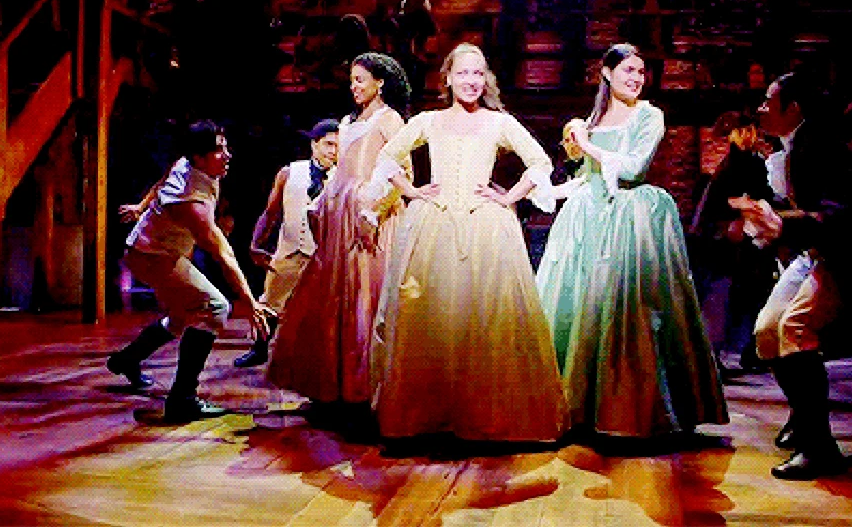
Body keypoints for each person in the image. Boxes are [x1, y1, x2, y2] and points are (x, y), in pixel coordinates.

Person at [366, 43, 569, 441]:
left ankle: (484, 415)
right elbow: (387, 157)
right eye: (462, 73)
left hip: (485, 226)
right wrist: (412, 191)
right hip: (435, 223)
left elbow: (540, 161)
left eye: (477, 73)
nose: (471, 81)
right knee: (436, 319)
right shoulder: (429, 121)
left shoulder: (498, 122)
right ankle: (433, 416)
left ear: (486, 79)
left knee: (485, 320)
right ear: (448, 78)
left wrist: (509, 197)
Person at [535, 43, 727, 439]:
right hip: (587, 219)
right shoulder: (594, 118)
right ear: (607, 73)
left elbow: (634, 168)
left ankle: (629, 409)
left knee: (627, 313)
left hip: (629, 218)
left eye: (641, 71)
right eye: (628, 70)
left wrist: (587, 144)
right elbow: (589, 177)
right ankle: (577, 407)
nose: (636, 78)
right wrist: (548, 188)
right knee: (582, 310)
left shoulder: (649, 115)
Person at [731, 72, 852, 480]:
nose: (761, 108)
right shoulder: (792, 146)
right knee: (766, 332)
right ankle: (803, 414)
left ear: (793, 108)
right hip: (814, 251)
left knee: (795, 329)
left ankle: (819, 447)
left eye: (768, 101)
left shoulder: (823, 146)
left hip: (845, 257)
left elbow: (840, 214)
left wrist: (783, 221)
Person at [267, 53, 412, 413]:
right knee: (334, 299)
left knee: (366, 297)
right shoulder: (348, 121)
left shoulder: (389, 119)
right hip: (338, 217)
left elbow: (403, 172)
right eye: (351, 80)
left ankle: (367, 391)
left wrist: (372, 209)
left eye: (360, 80)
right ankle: (335, 388)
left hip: (369, 216)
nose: (354, 87)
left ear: (380, 82)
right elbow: (341, 170)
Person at [106, 120, 273, 423]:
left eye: (226, 147)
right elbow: (223, 254)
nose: (228, 155)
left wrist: (141, 207)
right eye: (219, 150)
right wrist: (249, 302)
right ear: (199, 158)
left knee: (184, 317)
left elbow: (162, 180)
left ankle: (127, 359)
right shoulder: (191, 203)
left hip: (155, 250)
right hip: (151, 256)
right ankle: (182, 399)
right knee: (214, 307)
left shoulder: (187, 163)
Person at [232, 119, 339, 368]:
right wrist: (256, 243)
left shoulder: (343, 177)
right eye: (328, 144)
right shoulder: (289, 172)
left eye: (338, 146)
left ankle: (313, 358)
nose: (333, 151)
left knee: (319, 309)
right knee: (270, 302)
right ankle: (259, 349)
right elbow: (271, 212)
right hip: (289, 250)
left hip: (322, 254)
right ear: (314, 144)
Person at [690, 110, 775, 372]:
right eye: (743, 131)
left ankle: (748, 352)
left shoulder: (747, 161)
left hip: (737, 236)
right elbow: (722, 200)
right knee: (719, 295)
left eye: (751, 130)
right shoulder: (735, 162)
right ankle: (712, 359)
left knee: (742, 294)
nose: (748, 136)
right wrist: (740, 210)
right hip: (722, 238)